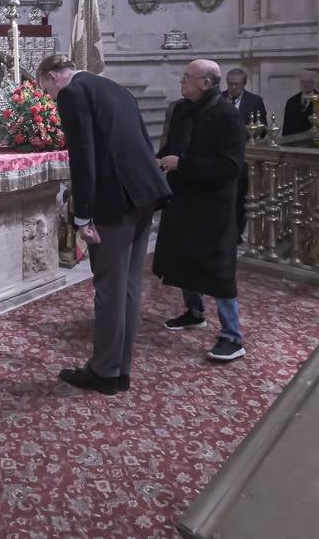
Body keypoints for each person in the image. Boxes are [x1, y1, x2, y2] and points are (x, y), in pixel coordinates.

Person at [37, 54, 171, 396]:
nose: (51, 100)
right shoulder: (115, 88)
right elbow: (142, 141)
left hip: (114, 201)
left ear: (54, 78)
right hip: (144, 195)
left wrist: (83, 215)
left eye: (46, 91)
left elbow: (83, 155)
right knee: (128, 286)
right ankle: (119, 368)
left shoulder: (72, 93)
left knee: (110, 288)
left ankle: (104, 372)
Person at [154, 59, 249, 362]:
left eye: (187, 78)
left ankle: (232, 337)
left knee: (218, 271)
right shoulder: (182, 110)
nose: (181, 82)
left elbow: (230, 167)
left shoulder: (229, 117)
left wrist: (182, 164)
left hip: (213, 206)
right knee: (183, 259)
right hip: (183, 198)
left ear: (206, 84)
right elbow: (171, 146)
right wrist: (158, 162)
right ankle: (194, 312)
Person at [224, 68, 266, 240]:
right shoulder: (219, 98)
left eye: (236, 84)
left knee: (240, 195)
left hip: (243, 156)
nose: (232, 87)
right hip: (222, 155)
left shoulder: (254, 101)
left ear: (244, 84)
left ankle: (236, 232)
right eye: (230, 84)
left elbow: (262, 129)